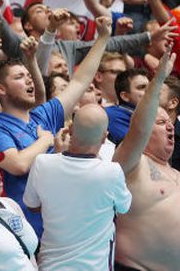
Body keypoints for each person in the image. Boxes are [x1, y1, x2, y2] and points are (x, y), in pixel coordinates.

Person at [0, 14, 110, 236]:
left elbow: (79, 81)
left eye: (29, 76)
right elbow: (18, 164)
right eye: (19, 77)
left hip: (62, 226)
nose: (29, 80)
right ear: (1, 89)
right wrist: (46, 140)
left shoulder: (42, 116)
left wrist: (103, 37)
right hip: (24, 231)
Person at [23, 103, 131, 270]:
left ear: (70, 129)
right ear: (104, 137)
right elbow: (123, 208)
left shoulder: (42, 163)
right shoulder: (111, 172)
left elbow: (33, 206)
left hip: (50, 266)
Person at [111, 40, 178, 270]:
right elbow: (139, 127)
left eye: (170, 122)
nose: (170, 126)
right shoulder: (130, 163)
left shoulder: (176, 173)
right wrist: (158, 80)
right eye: (160, 122)